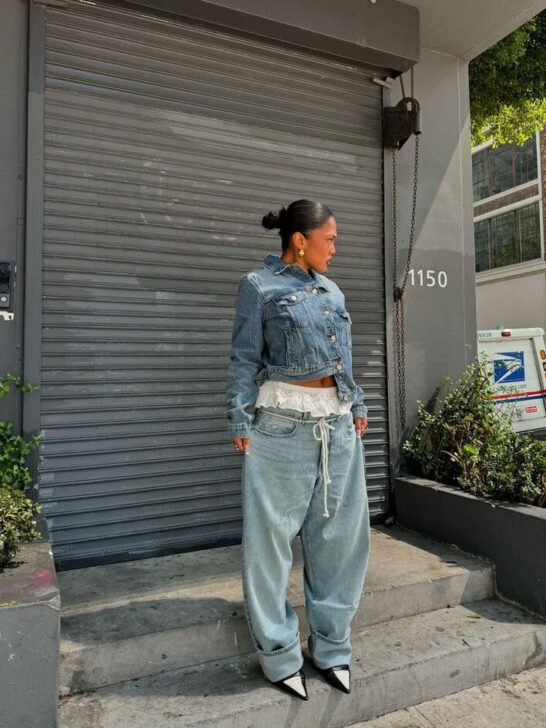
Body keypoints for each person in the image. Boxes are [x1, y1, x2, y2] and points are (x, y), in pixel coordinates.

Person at [225, 199, 371, 701]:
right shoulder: (258, 286)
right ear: (300, 239)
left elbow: (344, 355)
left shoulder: (332, 289)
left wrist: (358, 404)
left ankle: (332, 649)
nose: (336, 247)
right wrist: (240, 415)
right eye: (330, 238)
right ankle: (280, 655)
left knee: (342, 543)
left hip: (338, 426)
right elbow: (244, 358)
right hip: (281, 426)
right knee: (269, 548)